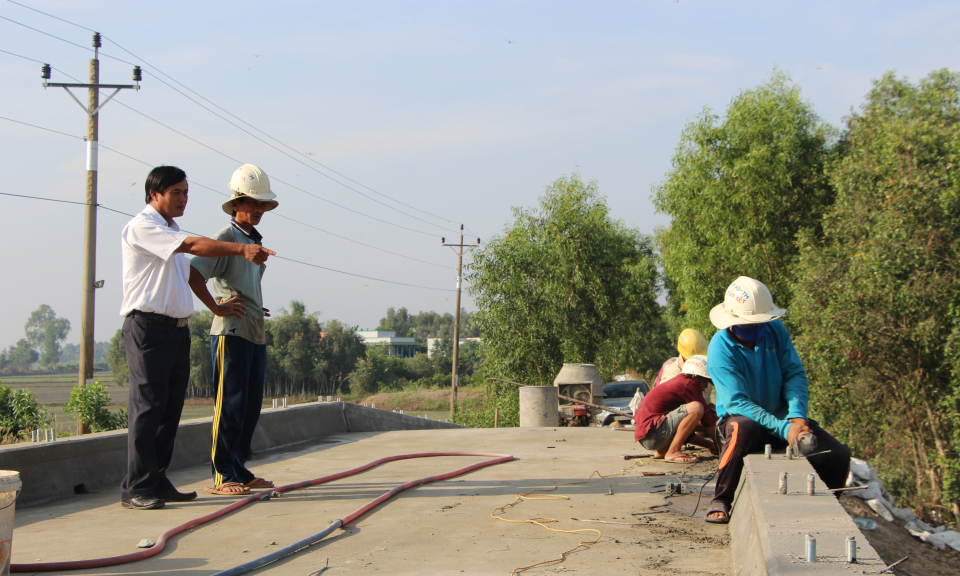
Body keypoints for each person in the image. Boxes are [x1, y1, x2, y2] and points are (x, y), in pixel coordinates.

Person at [119, 165, 275, 510]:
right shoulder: (144, 227)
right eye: (176, 192)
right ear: (153, 194)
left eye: (186, 192)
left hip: (175, 328)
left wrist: (223, 306)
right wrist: (238, 252)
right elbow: (194, 251)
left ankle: (157, 480)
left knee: (169, 408)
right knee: (147, 409)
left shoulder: (170, 230)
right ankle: (136, 487)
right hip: (147, 327)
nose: (183, 199)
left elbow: (187, 270)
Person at [704, 276, 851, 524]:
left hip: (782, 418)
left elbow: (794, 374)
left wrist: (796, 416)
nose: (758, 329)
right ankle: (721, 498)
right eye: (751, 325)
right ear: (733, 322)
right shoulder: (720, 349)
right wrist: (785, 429)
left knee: (837, 455)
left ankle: (828, 508)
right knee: (742, 428)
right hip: (742, 419)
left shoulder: (776, 331)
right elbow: (737, 402)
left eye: (761, 323)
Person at [188, 164, 279, 496]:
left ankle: (239, 468)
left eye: (261, 205)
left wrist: (255, 303)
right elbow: (194, 271)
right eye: (252, 204)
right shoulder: (227, 239)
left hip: (253, 330)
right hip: (231, 332)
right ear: (237, 203)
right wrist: (216, 307)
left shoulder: (252, 242)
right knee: (229, 404)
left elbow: (245, 283)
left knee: (250, 406)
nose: (257, 210)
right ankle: (222, 474)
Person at [633, 355, 719, 463]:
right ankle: (673, 451)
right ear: (695, 377)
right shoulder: (689, 384)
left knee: (690, 414)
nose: (705, 387)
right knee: (697, 408)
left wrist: (709, 444)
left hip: (649, 437)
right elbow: (708, 418)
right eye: (705, 382)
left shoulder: (681, 382)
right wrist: (719, 444)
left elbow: (683, 430)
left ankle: (663, 450)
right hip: (652, 435)